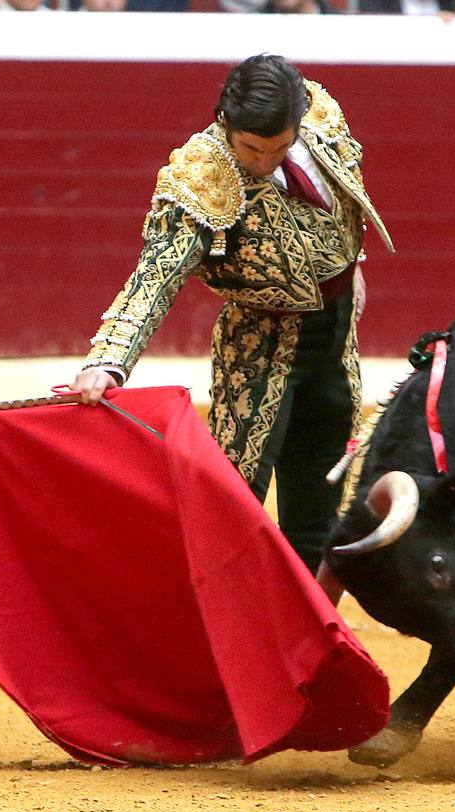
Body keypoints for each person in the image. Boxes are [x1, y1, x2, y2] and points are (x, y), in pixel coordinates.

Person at [72, 54, 393, 573]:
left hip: (336, 341)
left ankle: (303, 641)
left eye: (279, 148)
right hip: (259, 348)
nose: (265, 161)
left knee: (319, 510)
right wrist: (108, 360)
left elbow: (346, 194)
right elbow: (156, 275)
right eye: (251, 148)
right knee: (233, 504)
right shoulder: (201, 175)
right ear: (225, 121)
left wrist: (353, 261)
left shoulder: (318, 114)